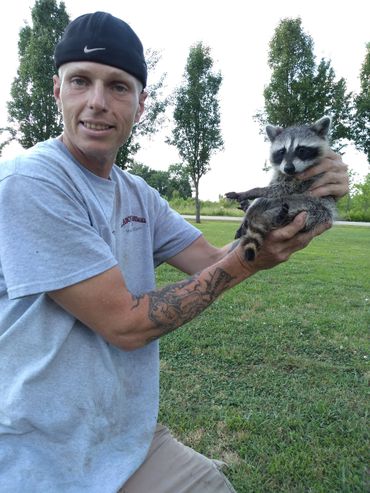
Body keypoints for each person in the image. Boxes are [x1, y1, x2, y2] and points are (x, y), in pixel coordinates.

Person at [0, 11, 349, 493]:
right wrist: (249, 258)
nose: (98, 102)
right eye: (80, 81)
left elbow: (210, 259)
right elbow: (125, 324)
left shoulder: (137, 193)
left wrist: (306, 202)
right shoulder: (30, 182)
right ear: (57, 92)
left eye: (119, 87)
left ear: (141, 105)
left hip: (123, 439)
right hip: (36, 453)